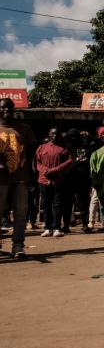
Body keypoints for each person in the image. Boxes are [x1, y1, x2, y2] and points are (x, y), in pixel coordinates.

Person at [0, 98, 37, 258]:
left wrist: (34, 175)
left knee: (21, 214)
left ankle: (18, 245)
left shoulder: (24, 129)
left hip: (21, 178)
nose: (6, 110)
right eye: (3, 108)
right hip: (0, 180)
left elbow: (31, 155)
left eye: (9, 107)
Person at [35, 126, 72, 237]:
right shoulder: (41, 147)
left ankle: (56, 227)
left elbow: (69, 161)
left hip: (58, 180)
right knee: (46, 204)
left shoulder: (64, 148)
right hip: (44, 180)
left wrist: (55, 170)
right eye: (53, 133)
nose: (55, 135)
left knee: (58, 204)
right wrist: (44, 170)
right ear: (49, 134)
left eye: (57, 134)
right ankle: (47, 227)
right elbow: (37, 162)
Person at [64, 128, 95, 233]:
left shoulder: (86, 147)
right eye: (70, 136)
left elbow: (98, 143)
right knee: (67, 204)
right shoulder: (66, 147)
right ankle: (66, 225)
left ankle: (85, 225)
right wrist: (65, 135)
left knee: (83, 204)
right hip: (69, 179)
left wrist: (88, 136)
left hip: (83, 179)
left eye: (75, 136)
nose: (73, 138)